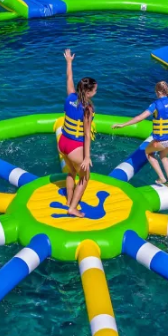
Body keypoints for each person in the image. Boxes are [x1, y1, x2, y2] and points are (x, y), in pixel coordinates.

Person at [112, 81, 168, 190]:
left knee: (148, 152)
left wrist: (123, 125)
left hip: (162, 140)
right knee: (164, 156)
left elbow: (139, 118)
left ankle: (162, 178)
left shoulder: (156, 104)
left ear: (158, 92)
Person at [58, 49, 98, 218]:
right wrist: (87, 157)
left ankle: (69, 200)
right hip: (75, 146)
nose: (96, 92)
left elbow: (69, 78)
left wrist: (69, 62)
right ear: (88, 92)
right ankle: (73, 208)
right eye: (94, 90)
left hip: (62, 142)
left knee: (71, 172)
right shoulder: (87, 108)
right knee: (85, 177)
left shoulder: (70, 97)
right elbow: (87, 135)